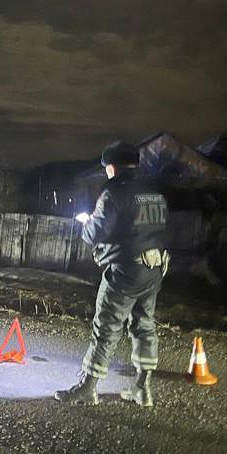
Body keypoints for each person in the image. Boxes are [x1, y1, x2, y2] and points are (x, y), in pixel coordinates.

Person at [55, 141, 169, 407]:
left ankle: (88, 388)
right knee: (144, 326)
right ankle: (143, 389)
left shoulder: (115, 192)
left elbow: (95, 233)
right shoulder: (154, 193)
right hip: (154, 269)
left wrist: (87, 223)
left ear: (112, 167)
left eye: (107, 168)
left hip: (126, 271)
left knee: (106, 326)